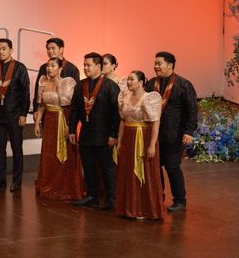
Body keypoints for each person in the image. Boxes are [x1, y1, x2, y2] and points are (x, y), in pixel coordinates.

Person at [145, 51, 198, 212]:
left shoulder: (184, 84)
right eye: (155, 63)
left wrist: (188, 132)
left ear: (170, 65)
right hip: (154, 134)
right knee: (154, 166)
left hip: (174, 134)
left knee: (172, 166)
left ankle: (180, 200)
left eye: (159, 63)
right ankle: (157, 196)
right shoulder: (151, 84)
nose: (156, 67)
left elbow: (192, 110)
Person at [69, 52, 121, 210]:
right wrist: (72, 130)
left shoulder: (110, 86)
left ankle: (111, 199)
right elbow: (75, 109)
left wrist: (113, 135)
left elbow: (116, 113)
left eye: (88, 65)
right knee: (89, 166)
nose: (85, 68)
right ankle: (91, 196)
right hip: (86, 133)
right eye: (84, 65)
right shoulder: (81, 85)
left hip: (104, 135)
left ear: (98, 66)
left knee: (107, 167)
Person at [116, 71, 164, 220]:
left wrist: (151, 145)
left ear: (141, 82)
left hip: (143, 137)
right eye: (128, 79)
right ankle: (129, 207)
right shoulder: (125, 97)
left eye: (132, 79)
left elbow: (156, 122)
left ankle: (144, 208)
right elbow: (123, 121)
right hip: (129, 138)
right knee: (127, 171)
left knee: (145, 171)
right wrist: (119, 141)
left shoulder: (148, 98)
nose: (128, 82)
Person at [33, 58, 83, 201]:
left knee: (64, 153)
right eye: (48, 65)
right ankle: (48, 184)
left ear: (60, 69)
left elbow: (70, 108)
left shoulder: (66, 84)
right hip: (49, 121)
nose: (49, 68)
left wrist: (69, 126)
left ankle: (64, 186)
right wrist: (37, 124)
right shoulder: (43, 82)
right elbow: (41, 105)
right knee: (49, 154)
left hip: (62, 120)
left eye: (53, 66)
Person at [0, 39, 30, 191]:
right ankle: (0, 179)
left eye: (4, 49)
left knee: (17, 149)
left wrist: (24, 114)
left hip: (15, 116)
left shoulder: (20, 68)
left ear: (11, 50)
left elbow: (25, 93)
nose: (1, 52)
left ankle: (17, 181)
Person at [33, 37, 80, 113]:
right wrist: (35, 110)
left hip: (65, 112)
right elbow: (38, 90)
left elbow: (76, 94)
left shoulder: (72, 69)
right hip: (45, 110)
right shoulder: (43, 67)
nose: (50, 51)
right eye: (48, 49)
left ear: (61, 49)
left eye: (53, 48)